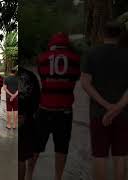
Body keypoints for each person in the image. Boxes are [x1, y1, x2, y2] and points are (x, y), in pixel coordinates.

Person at [81, 21, 128, 180]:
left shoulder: (92, 54)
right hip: (123, 114)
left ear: (102, 35)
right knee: (121, 156)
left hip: (98, 113)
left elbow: (85, 83)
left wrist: (107, 106)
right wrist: (117, 108)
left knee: (99, 156)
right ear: (120, 35)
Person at [33, 32, 81, 180]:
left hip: (45, 108)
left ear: (51, 44)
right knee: (61, 147)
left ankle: (28, 174)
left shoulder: (41, 59)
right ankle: (57, 177)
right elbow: (76, 78)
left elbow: (43, 78)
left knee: (36, 145)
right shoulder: (75, 59)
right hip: (65, 110)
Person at [18, 67, 41, 180]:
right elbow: (36, 100)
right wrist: (26, 115)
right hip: (27, 120)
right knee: (21, 158)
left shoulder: (11, 77)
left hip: (18, 119)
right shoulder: (31, 76)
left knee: (20, 158)